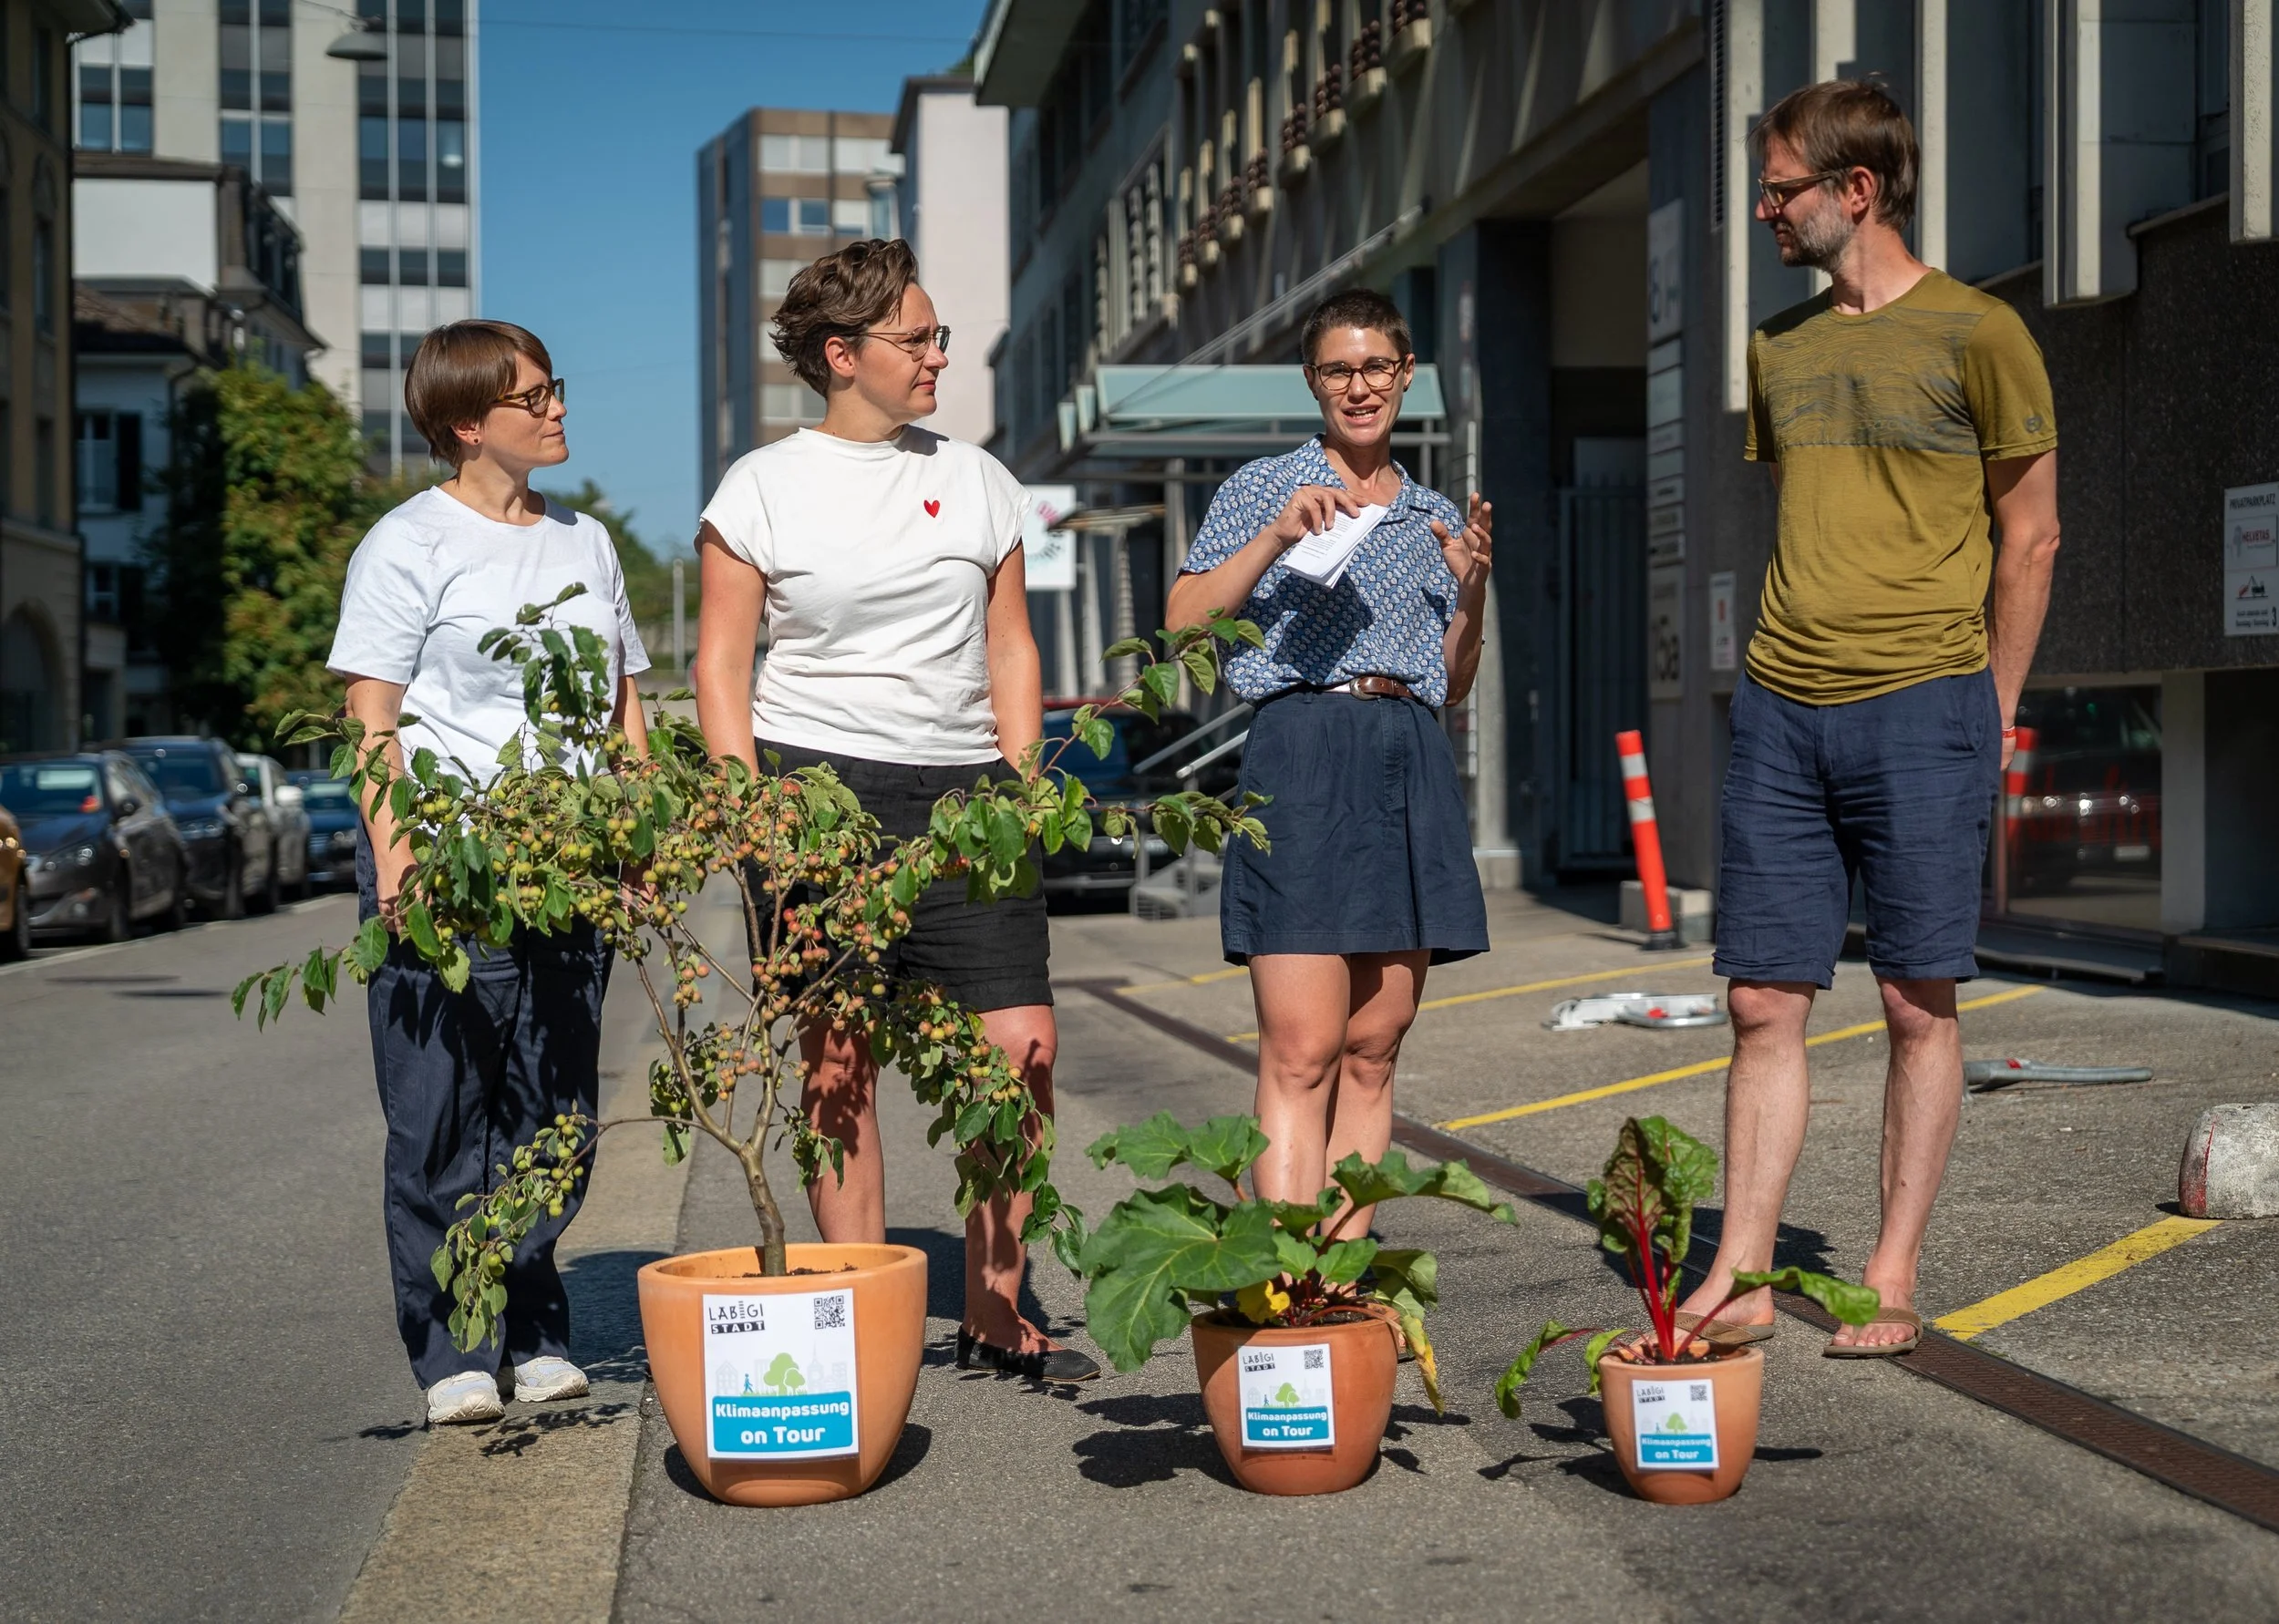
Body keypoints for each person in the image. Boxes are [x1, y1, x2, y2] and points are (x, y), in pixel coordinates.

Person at [1676, 80, 2062, 1357]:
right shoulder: (1778, 348)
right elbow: (1822, 516)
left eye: (1781, 187)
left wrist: (1993, 707)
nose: (1764, 210)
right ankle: (1740, 1266)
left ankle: (1889, 1271)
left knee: (1914, 999)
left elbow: (2031, 532)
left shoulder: (1981, 334)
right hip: (1785, 705)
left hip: (1926, 704)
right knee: (1760, 1003)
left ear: (1859, 189)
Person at [691, 239, 1096, 1383]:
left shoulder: (977, 477)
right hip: (814, 792)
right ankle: (863, 1308)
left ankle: (996, 1309)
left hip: (970, 796)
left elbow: (1009, 643)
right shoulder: (760, 487)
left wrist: (1022, 782)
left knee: (1021, 1048)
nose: (936, 357)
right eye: (915, 340)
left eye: (937, 337)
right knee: (839, 1063)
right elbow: (723, 662)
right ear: (841, 353)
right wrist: (747, 807)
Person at [329, 320, 652, 1424]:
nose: (559, 407)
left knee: (553, 1105)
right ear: (467, 423)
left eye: (557, 386)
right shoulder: (407, 544)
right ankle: (453, 1349)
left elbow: (622, 705)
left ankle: (535, 1320)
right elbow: (371, 719)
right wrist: (400, 866)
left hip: (563, 862)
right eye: (535, 395)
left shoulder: (587, 544)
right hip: (444, 864)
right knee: (440, 1116)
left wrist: (638, 834)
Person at [1164, 288, 1494, 1226]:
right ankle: (1288, 1282)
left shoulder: (1433, 513)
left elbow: (1452, 680)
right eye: (1339, 370)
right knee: (1302, 1047)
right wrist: (1274, 537)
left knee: (1374, 1046)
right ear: (1314, 383)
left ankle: (1343, 1274)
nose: (1360, 387)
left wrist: (1470, 596)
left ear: (1406, 375)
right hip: (1302, 748)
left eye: (1376, 368)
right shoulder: (1264, 488)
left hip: (1405, 753)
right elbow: (1184, 624)